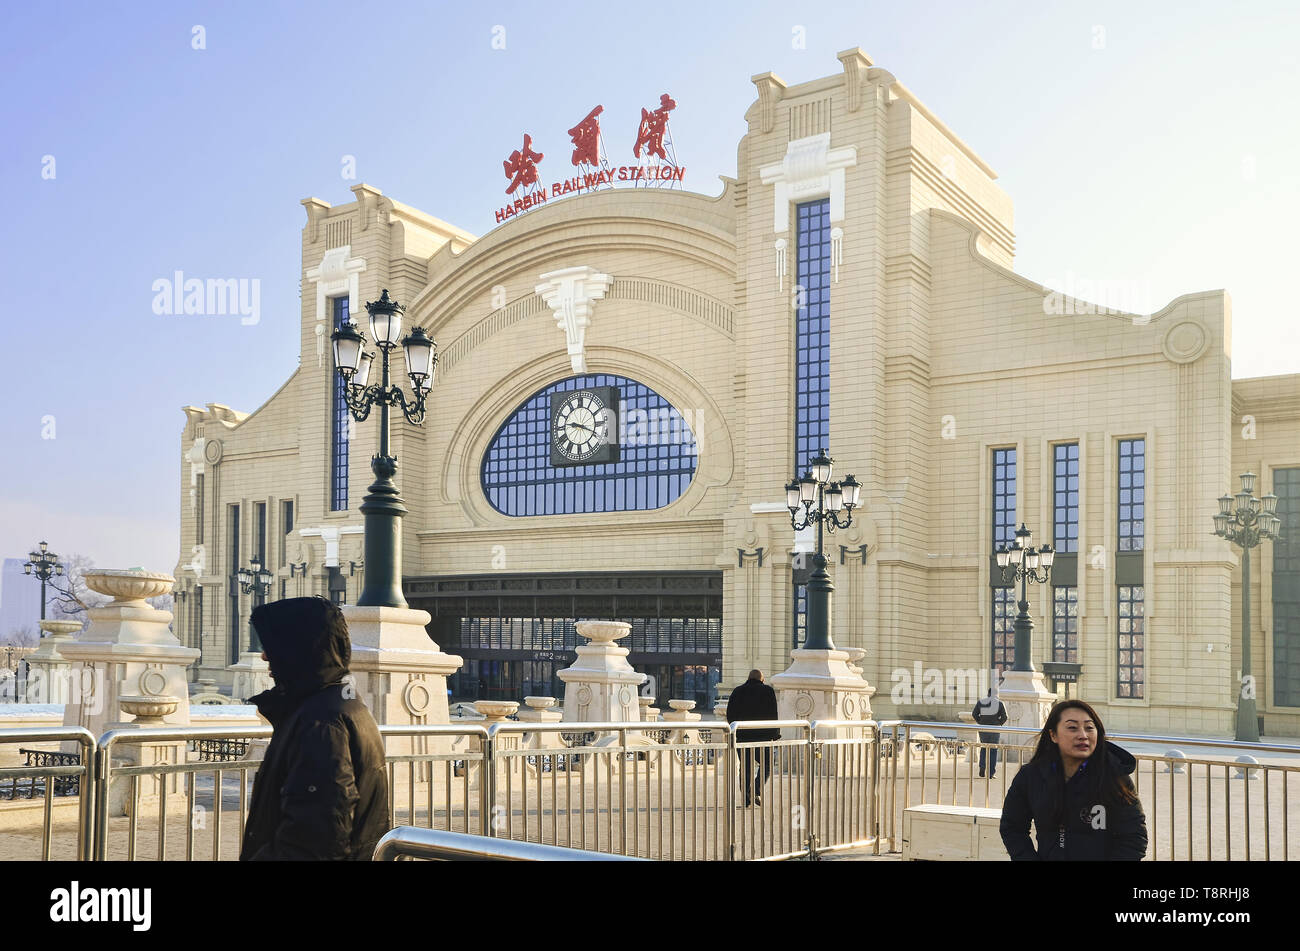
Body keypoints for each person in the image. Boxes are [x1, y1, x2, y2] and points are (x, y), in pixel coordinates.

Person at [239, 597, 389, 861]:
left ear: (298, 649)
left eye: (272, 645)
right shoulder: (342, 704)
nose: (264, 655)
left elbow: (312, 843)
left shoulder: (320, 723)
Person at [1000, 699, 1148, 861]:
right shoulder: (1031, 776)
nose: (1083, 735)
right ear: (1053, 735)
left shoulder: (1114, 777)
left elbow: (1134, 837)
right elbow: (1012, 827)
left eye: (1089, 728)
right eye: (1072, 728)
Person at [725, 669, 780, 807]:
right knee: (767, 765)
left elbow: (730, 714)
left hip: (742, 737)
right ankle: (756, 789)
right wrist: (775, 734)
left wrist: (734, 732)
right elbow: (773, 714)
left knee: (745, 768)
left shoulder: (737, 691)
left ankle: (746, 798)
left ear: (748, 678)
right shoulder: (768, 691)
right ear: (762, 679)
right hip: (763, 737)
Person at [972, 682, 1007, 777]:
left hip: (983, 729)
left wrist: (980, 722)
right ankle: (991, 773)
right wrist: (998, 723)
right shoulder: (999, 703)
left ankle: (982, 767)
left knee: (984, 748)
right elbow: (1005, 717)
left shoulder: (981, 702)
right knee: (993, 750)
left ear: (988, 693)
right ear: (996, 694)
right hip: (994, 729)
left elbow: (974, 714)